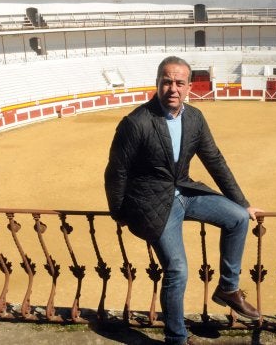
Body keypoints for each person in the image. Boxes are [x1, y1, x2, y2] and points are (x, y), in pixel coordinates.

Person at [104, 56, 262, 345]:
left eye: (179, 82)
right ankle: (176, 338)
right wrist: (119, 212)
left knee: (238, 218)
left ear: (190, 86)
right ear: (157, 84)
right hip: (153, 202)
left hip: (186, 192)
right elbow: (116, 172)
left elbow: (214, 160)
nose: (173, 88)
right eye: (167, 82)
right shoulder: (136, 122)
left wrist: (243, 202)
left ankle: (228, 288)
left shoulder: (195, 118)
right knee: (177, 269)